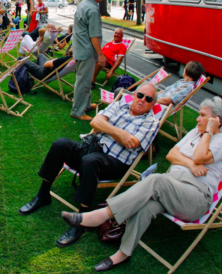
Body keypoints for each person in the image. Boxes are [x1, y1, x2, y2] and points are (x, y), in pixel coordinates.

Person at [60, 96, 222, 272]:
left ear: (215, 120)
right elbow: (171, 155)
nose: (197, 119)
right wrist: (189, 164)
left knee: (156, 180)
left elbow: (200, 156)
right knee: (147, 205)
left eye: (202, 115)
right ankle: (123, 254)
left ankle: (101, 215)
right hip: (173, 189)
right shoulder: (195, 132)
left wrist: (209, 133)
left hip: (195, 198)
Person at [18, 83, 160, 248]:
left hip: (116, 161)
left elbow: (132, 143)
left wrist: (107, 128)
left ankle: (82, 221)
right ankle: (43, 195)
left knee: (90, 161)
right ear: (134, 94)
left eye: (148, 99)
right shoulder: (121, 103)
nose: (142, 100)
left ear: (152, 104)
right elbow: (96, 121)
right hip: (94, 147)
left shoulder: (151, 122)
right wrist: (120, 133)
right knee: (61, 144)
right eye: (140, 95)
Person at [71, 0, 107, 121]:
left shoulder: (84, 4)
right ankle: (78, 111)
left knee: (84, 80)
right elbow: (94, 36)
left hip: (81, 49)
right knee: (83, 81)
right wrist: (100, 54)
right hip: (86, 51)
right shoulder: (91, 9)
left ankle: (85, 105)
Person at [114, 61, 205, 107]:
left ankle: (122, 111)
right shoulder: (182, 82)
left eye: (186, 67)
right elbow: (165, 91)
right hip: (153, 99)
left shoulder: (187, 87)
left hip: (155, 104)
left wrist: (149, 100)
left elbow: (167, 101)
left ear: (190, 70)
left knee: (119, 91)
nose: (184, 69)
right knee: (122, 91)